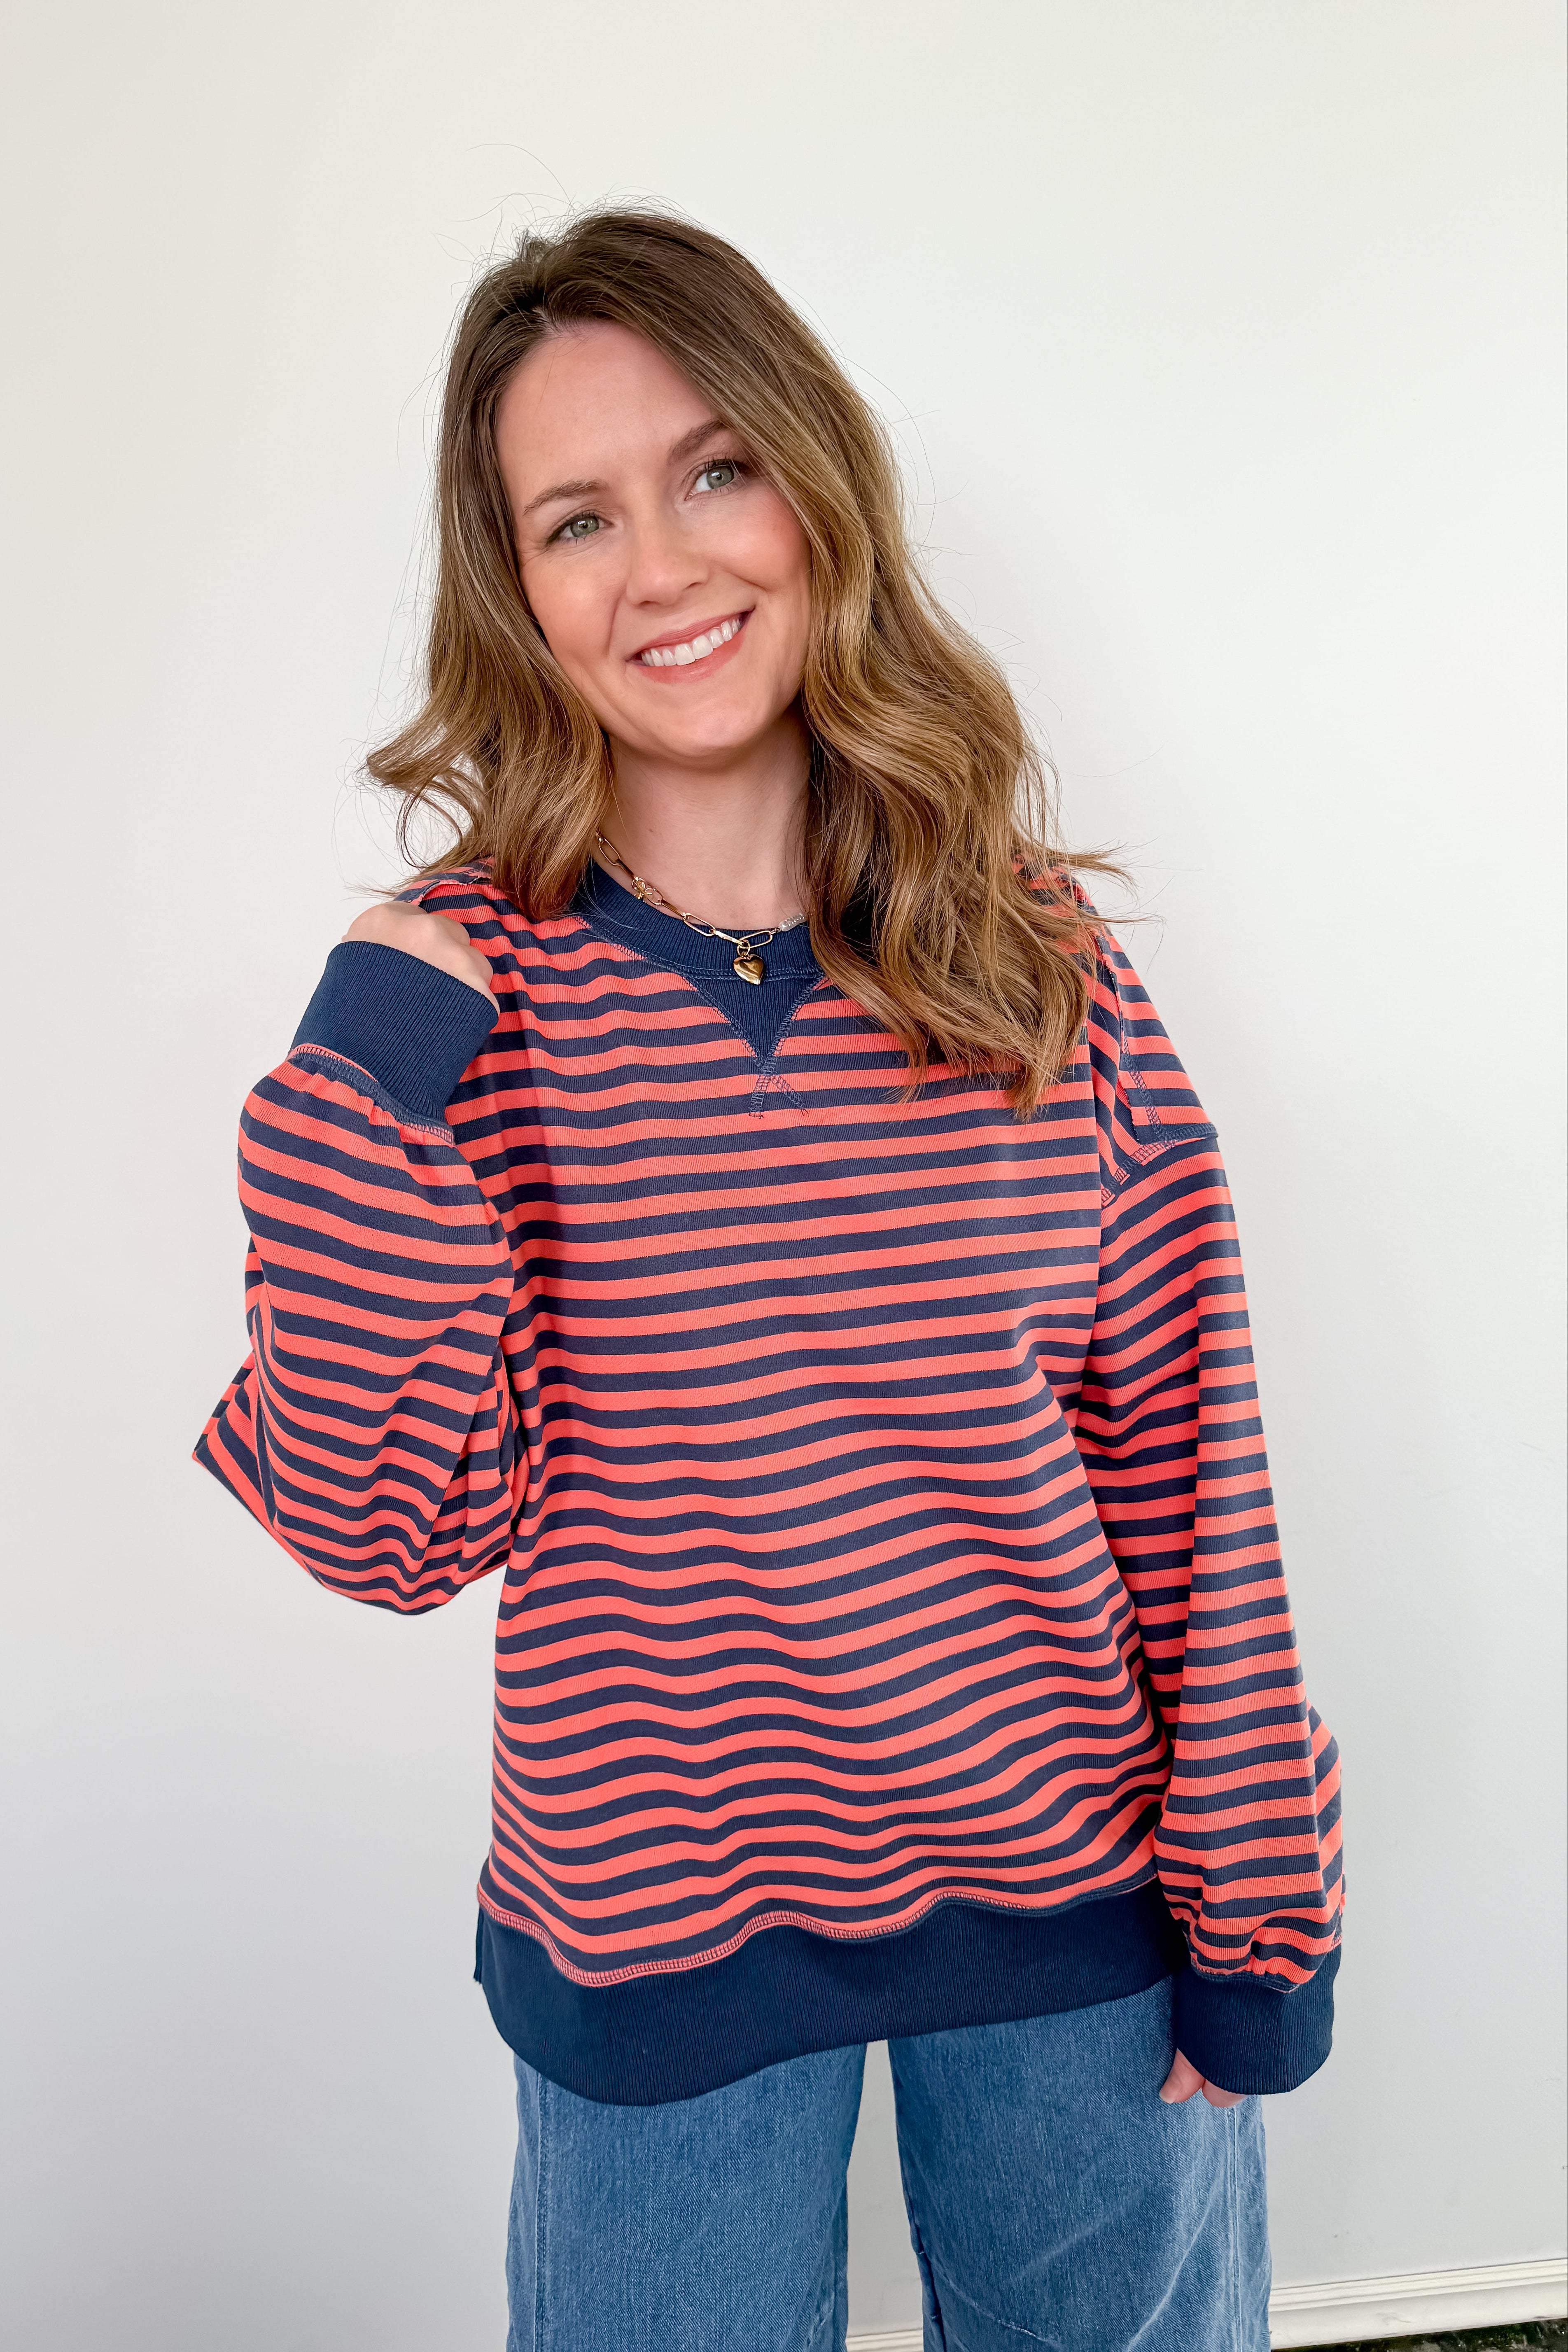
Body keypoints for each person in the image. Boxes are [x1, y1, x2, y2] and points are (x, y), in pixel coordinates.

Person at [196, 209, 1343, 2352]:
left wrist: (1259, 1903)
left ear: (816, 488)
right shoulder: (453, 1007)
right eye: (575, 516)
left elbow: (1193, 1462)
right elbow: (381, 1531)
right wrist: (354, 1095)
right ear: (515, 592)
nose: (662, 566)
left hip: (1073, 1910)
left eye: (714, 468)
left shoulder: (1028, 959)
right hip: (651, 1947)